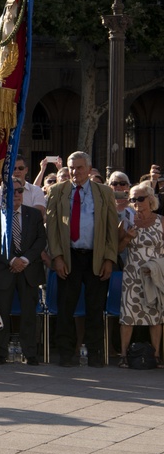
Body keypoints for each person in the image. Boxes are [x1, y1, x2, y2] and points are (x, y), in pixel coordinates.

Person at [46, 151, 118, 368]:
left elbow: (111, 229)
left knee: (95, 308)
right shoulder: (58, 191)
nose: (75, 172)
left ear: (88, 168)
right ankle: (66, 355)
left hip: (95, 257)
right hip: (69, 257)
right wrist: (57, 257)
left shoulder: (104, 192)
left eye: (79, 167)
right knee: (66, 307)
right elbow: (52, 229)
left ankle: (95, 354)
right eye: (71, 168)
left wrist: (109, 259)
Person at [0, 176, 47, 365]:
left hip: (29, 269)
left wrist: (24, 260)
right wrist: (12, 260)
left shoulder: (34, 215)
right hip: (4, 270)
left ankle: (30, 353)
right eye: (13, 192)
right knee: (2, 313)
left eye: (20, 191)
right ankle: (0, 353)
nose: (17, 195)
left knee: (29, 313)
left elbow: (40, 240)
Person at [117, 180, 164, 368]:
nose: (136, 202)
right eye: (133, 199)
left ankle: (157, 355)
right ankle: (123, 355)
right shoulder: (127, 221)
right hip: (133, 274)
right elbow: (117, 249)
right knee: (128, 316)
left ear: (150, 199)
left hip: (155, 275)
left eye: (140, 198)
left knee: (156, 317)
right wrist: (128, 237)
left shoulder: (161, 221)